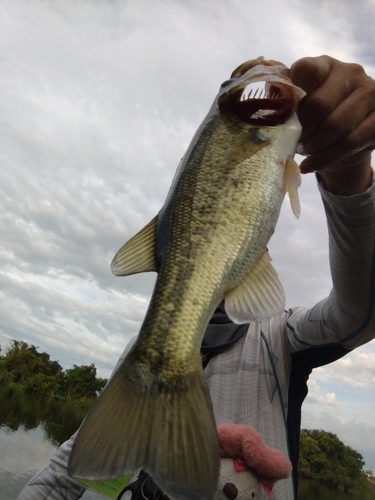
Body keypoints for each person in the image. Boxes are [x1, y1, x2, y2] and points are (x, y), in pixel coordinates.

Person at [16, 55, 375, 500]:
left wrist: (347, 171)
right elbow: (69, 471)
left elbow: (362, 312)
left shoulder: (283, 337)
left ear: (258, 241)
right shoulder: (142, 354)